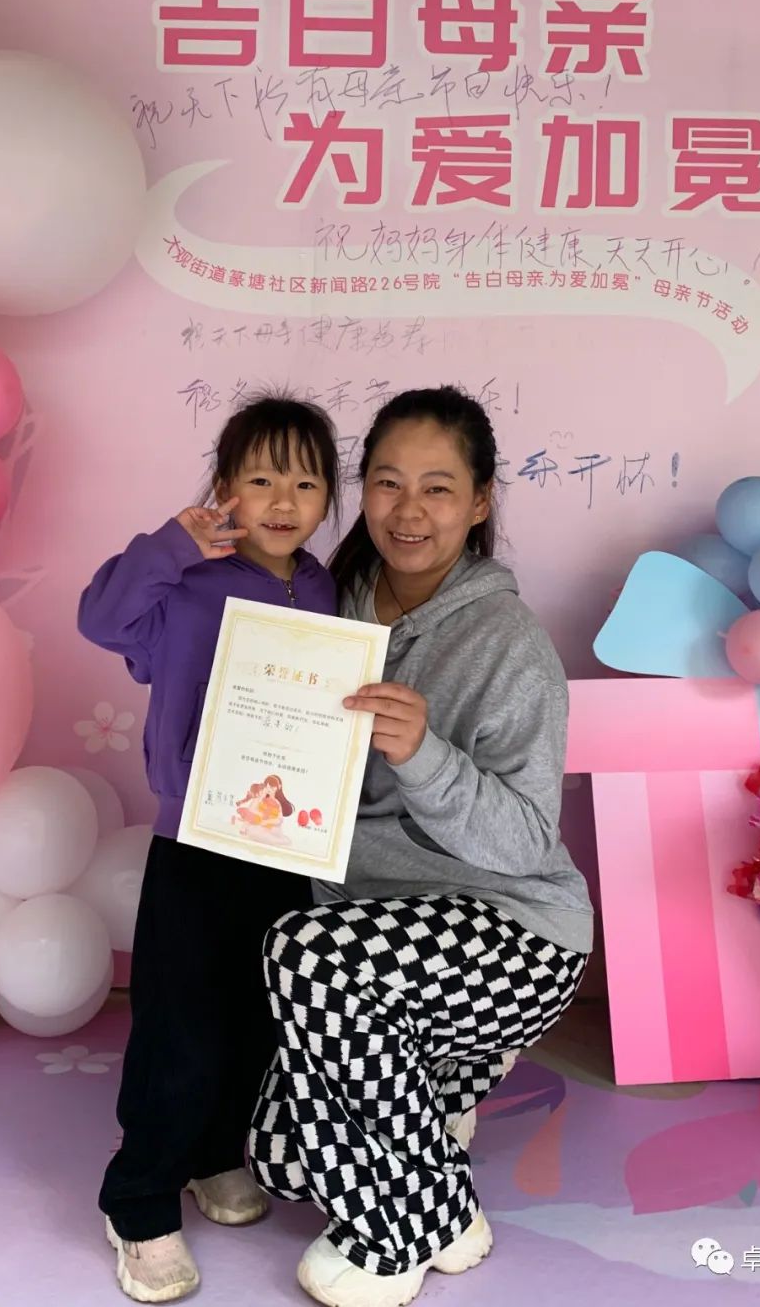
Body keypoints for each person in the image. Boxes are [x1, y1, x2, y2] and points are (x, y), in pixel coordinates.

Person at [248, 387, 593, 1307]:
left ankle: (398, 1230)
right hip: (372, 922)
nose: (409, 510)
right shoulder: (328, 607)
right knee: (280, 1160)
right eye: (388, 482)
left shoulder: (509, 643)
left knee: (309, 958)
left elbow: (528, 839)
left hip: (513, 928)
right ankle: (443, 1142)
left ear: (479, 502)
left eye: (438, 488)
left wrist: (425, 755)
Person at [78, 395, 339, 1303]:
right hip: (194, 839)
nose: (283, 500)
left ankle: (216, 1152)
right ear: (224, 486)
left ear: (328, 496)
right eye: (260, 478)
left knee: (257, 1017)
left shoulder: (325, 588)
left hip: (288, 844)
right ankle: (140, 1199)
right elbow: (101, 620)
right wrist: (172, 543)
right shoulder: (184, 583)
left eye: (305, 482)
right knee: (178, 1027)